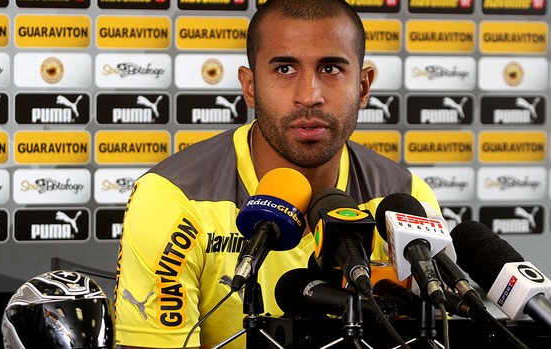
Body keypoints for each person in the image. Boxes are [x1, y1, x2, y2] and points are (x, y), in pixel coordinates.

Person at [114, 0, 440, 348]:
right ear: (250, 86)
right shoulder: (173, 197)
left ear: (362, 87)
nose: (309, 96)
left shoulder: (405, 200)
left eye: (330, 69)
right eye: (285, 69)